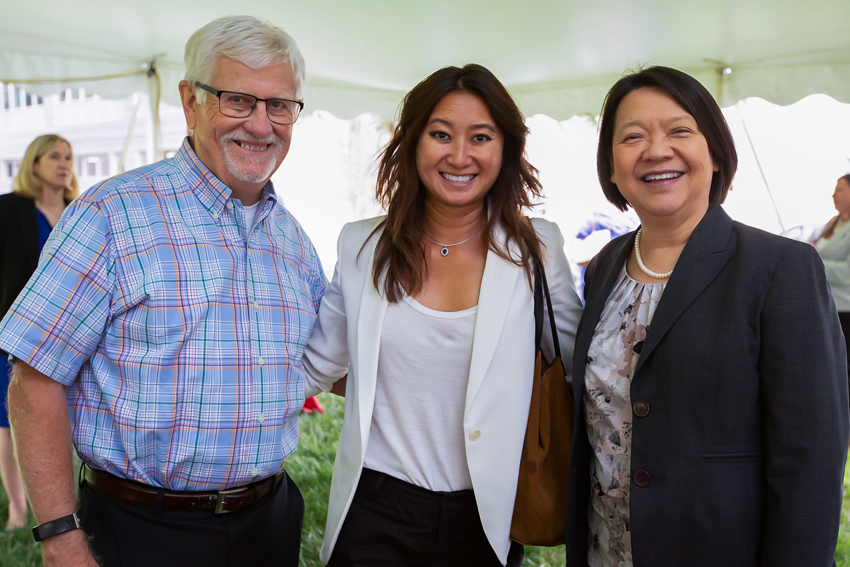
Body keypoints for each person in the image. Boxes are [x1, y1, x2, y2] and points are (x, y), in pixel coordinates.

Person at [0, 16, 324, 567]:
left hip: (268, 524)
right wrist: (60, 537)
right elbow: (34, 379)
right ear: (190, 101)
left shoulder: (291, 238)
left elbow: (331, 361)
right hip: (140, 532)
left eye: (279, 106)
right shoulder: (110, 215)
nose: (262, 125)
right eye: (239, 100)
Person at [566, 65, 849, 567]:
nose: (656, 151)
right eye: (632, 137)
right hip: (604, 551)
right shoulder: (607, 264)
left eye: (680, 130)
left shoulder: (779, 268)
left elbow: (812, 459)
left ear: (715, 152)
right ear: (611, 166)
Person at [302, 63, 583, 567]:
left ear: (507, 149)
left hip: (488, 511)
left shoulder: (537, 249)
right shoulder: (361, 243)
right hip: (376, 508)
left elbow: (580, 364)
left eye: (480, 137)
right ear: (411, 142)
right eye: (440, 134)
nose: (459, 155)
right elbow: (318, 364)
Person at [0, 134, 78, 530]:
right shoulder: (9, 209)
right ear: (34, 164)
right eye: (54, 156)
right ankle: (18, 509)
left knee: (65, 424)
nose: (64, 163)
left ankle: (65, 504)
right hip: (15, 339)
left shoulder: (77, 211)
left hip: (70, 337)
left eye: (68, 157)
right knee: (10, 428)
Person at [814, 173, 850, 378]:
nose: (834, 194)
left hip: (845, 307)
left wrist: (814, 263)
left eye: (840, 189)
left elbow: (847, 272)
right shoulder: (834, 223)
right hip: (828, 303)